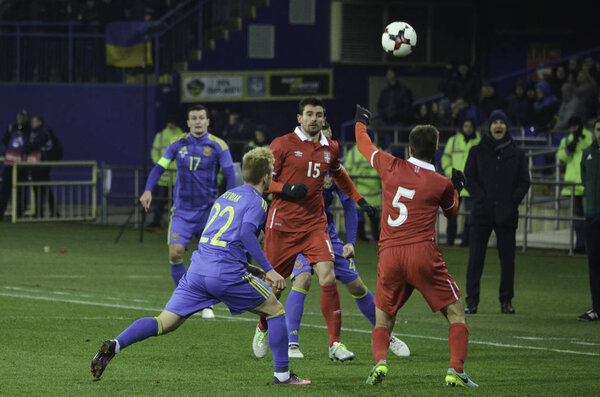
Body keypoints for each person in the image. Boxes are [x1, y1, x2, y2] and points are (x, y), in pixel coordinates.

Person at [91, 147, 311, 385]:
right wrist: (269, 269)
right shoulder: (258, 202)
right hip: (225, 274)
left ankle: (116, 344)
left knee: (164, 322)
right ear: (267, 177)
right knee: (275, 309)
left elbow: (216, 238)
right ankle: (282, 375)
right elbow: (247, 234)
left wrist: (250, 268)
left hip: (197, 270)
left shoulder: (226, 196)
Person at [353, 105, 477, 388]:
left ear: (409, 147)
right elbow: (451, 211)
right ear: (435, 150)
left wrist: (362, 122)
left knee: (384, 316)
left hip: (389, 253)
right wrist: (456, 188)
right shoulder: (440, 183)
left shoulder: (390, 165)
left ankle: (380, 362)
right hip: (422, 252)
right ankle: (455, 370)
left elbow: (363, 143)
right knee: (456, 311)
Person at [252, 97, 377, 362]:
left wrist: (361, 201)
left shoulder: (330, 147)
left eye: (319, 115)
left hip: (314, 226)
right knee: (274, 286)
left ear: (323, 118)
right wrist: (285, 188)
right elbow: (262, 183)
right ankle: (263, 324)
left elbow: (340, 174)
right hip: (283, 226)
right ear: (299, 118)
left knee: (328, 276)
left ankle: (335, 344)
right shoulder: (282, 144)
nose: (314, 119)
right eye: (309, 114)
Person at [285, 124, 409, 359]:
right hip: (300, 234)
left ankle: (385, 335)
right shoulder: (298, 164)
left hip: (328, 235)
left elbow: (349, 204)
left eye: (329, 141)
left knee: (357, 286)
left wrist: (350, 241)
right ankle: (292, 343)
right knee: (302, 280)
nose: (326, 145)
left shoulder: (335, 169)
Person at [140, 104, 237, 319]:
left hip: (209, 212)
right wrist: (148, 190)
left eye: (202, 117)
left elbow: (230, 176)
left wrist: (231, 204)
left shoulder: (218, 145)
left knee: (209, 259)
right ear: (188, 122)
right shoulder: (178, 144)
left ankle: (207, 304)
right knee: (175, 253)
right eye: (194, 118)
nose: (198, 121)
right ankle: (184, 298)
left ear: (208, 121)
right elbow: (159, 167)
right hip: (182, 211)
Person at [463, 110, 531, 314]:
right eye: (495, 123)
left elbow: (524, 182)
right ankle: (472, 301)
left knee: (508, 261)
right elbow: (468, 177)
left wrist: (511, 202)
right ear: (489, 126)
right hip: (482, 213)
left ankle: (506, 301)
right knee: (475, 259)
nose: (498, 126)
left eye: (502, 122)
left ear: (506, 126)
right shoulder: (476, 151)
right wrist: (481, 198)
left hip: (506, 214)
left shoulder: (517, 154)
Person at [441, 119, 481, 246]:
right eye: (465, 126)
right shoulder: (453, 141)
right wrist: (450, 173)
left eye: (470, 126)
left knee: (470, 216)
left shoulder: (479, 142)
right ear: (462, 127)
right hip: (455, 183)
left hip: (471, 184)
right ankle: (450, 241)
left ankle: (466, 242)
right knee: (452, 214)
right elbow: (445, 159)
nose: (468, 128)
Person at [556, 116, 593, 253]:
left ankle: (591, 246)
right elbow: (562, 156)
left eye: (575, 126)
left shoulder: (590, 137)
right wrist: (570, 147)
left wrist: (581, 140)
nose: (573, 129)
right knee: (577, 220)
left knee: (590, 218)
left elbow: (593, 152)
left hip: (588, 184)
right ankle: (580, 245)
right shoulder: (566, 140)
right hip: (573, 186)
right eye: (571, 127)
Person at [578, 117, 600, 321]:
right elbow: (584, 178)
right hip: (592, 215)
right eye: (598, 129)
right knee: (594, 263)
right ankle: (596, 307)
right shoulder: (588, 154)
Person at [344, 127, 381, 242]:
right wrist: (370, 174)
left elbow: (347, 171)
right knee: (374, 216)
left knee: (359, 216)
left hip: (359, 193)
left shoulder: (353, 152)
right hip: (374, 193)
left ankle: (361, 237)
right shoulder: (378, 150)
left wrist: (360, 174)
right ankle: (376, 237)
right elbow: (382, 170)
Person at [147, 120, 182, 228]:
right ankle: (157, 222)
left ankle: (175, 225)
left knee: (176, 204)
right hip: (164, 176)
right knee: (160, 202)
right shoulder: (161, 135)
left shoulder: (181, 136)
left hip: (176, 177)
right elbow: (155, 152)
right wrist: (160, 165)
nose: (171, 124)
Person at [22, 115, 57, 218]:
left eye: (35, 121)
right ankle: (38, 212)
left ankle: (54, 212)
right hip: (35, 163)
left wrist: (26, 147)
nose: (32, 123)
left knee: (44, 188)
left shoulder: (44, 132)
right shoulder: (34, 133)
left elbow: (34, 145)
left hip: (43, 164)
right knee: (37, 188)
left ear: (40, 122)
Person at [0, 110, 30, 219]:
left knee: (21, 189)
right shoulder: (11, 128)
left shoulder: (29, 130)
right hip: (9, 164)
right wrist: (6, 152)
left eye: (22, 118)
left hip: (22, 165)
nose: (19, 120)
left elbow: (30, 146)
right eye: (19, 118)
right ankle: (1, 212)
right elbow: (3, 142)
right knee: (5, 189)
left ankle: (20, 213)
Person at [377, 68, 413, 148]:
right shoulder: (385, 92)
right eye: (388, 74)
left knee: (397, 147)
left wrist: (400, 116)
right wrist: (384, 116)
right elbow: (380, 106)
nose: (389, 75)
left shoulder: (403, 90)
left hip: (398, 122)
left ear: (395, 74)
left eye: (390, 73)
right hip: (386, 123)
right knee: (387, 148)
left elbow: (407, 106)